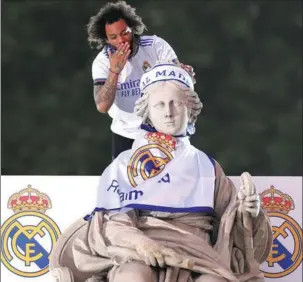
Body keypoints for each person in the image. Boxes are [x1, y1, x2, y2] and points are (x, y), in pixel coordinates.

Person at [51, 62, 272, 282]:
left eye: (176, 103)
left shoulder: (207, 166)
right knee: (133, 276)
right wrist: (142, 244)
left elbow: (232, 227)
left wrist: (248, 211)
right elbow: (112, 222)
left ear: (190, 109)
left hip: (199, 257)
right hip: (141, 251)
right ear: (147, 112)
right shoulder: (125, 164)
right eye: (159, 105)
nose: (168, 112)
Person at [87, 1, 202, 159]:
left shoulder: (155, 46)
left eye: (124, 33)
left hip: (161, 130)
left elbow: (177, 81)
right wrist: (114, 71)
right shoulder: (102, 62)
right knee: (129, 181)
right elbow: (102, 106)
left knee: (171, 179)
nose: (121, 40)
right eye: (113, 37)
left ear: (133, 29)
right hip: (125, 134)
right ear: (106, 40)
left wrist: (185, 75)